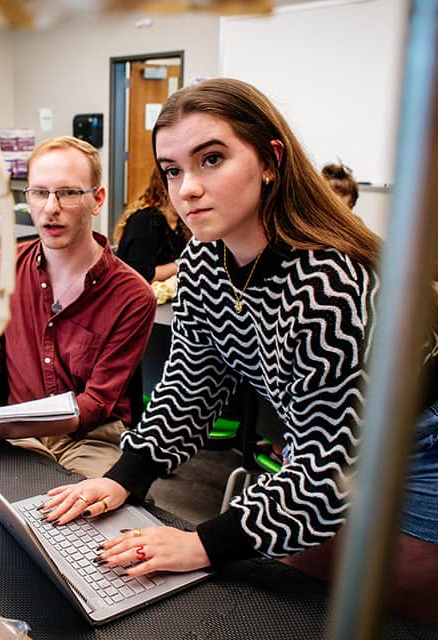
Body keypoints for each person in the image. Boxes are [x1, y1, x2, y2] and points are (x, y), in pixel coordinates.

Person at [39, 79, 438, 620]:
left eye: (211, 160)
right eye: (173, 170)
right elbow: (189, 385)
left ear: (271, 160)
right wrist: (123, 478)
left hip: (419, 439)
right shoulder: (204, 258)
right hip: (328, 439)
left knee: (391, 601)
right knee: (292, 570)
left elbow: (331, 467)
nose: (188, 189)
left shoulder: (330, 282)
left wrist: (203, 544)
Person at [0, 136, 156, 478]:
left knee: (77, 519)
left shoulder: (132, 296)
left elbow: (95, 404)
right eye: (40, 193)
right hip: (18, 428)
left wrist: (5, 426)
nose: (51, 208)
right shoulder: (5, 267)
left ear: (97, 199)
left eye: (68, 193)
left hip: (90, 438)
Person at [113, 167, 190, 283]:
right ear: (163, 188)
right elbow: (140, 274)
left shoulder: (183, 223)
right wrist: (181, 265)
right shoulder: (143, 221)